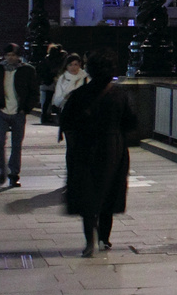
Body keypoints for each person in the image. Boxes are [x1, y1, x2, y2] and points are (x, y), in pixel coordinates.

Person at [59, 51, 137, 257]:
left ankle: (89, 240)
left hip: (85, 148)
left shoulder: (79, 95)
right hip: (113, 148)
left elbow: (66, 121)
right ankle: (104, 238)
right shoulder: (118, 95)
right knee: (109, 193)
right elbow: (131, 123)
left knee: (87, 194)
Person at [0, 42, 39, 187]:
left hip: (18, 112)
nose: (10, 58)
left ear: (18, 56)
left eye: (13, 55)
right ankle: (2, 170)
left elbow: (34, 91)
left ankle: (14, 173)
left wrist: (26, 108)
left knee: (16, 144)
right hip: (2, 111)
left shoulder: (27, 70)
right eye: (8, 55)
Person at [38, 42, 65, 124]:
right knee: (54, 99)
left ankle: (44, 116)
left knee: (47, 100)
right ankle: (53, 116)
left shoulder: (46, 59)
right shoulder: (56, 60)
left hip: (46, 82)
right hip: (51, 81)